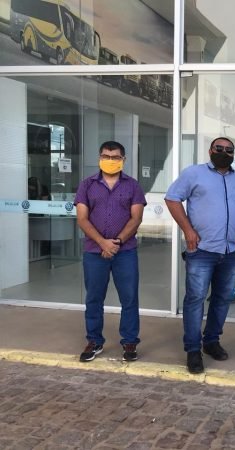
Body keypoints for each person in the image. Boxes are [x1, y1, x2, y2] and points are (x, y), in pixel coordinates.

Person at [165, 137, 235, 374]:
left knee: (222, 298)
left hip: (231, 252)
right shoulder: (194, 173)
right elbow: (172, 198)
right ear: (210, 150)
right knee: (195, 299)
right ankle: (193, 350)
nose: (224, 152)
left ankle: (212, 341)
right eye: (219, 148)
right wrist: (187, 229)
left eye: (229, 150)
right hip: (201, 250)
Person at [75, 141, 146, 363]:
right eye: (106, 156)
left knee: (129, 298)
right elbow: (82, 219)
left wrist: (116, 242)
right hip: (94, 252)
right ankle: (94, 341)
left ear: (123, 160)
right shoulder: (87, 185)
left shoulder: (133, 186)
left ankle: (130, 342)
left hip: (125, 252)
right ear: (99, 157)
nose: (110, 160)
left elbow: (136, 218)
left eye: (115, 157)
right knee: (94, 298)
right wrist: (102, 243)